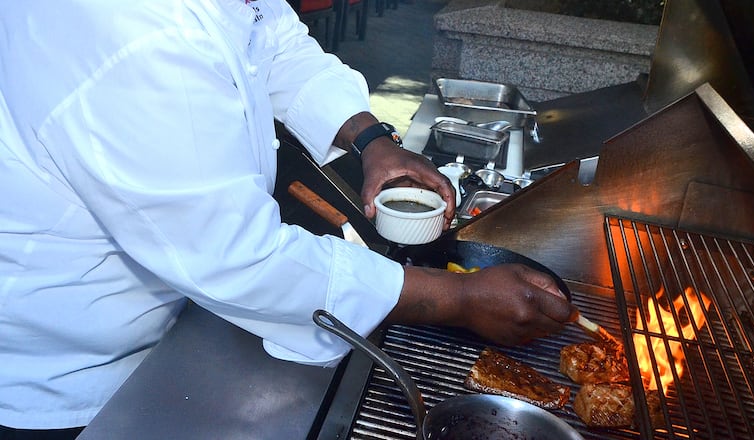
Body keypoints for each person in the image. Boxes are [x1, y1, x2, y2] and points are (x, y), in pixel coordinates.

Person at [0, 0, 577, 437]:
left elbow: (271, 39)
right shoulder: (135, 32)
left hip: (154, 310)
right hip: (64, 361)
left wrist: (371, 138)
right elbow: (238, 256)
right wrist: (458, 299)